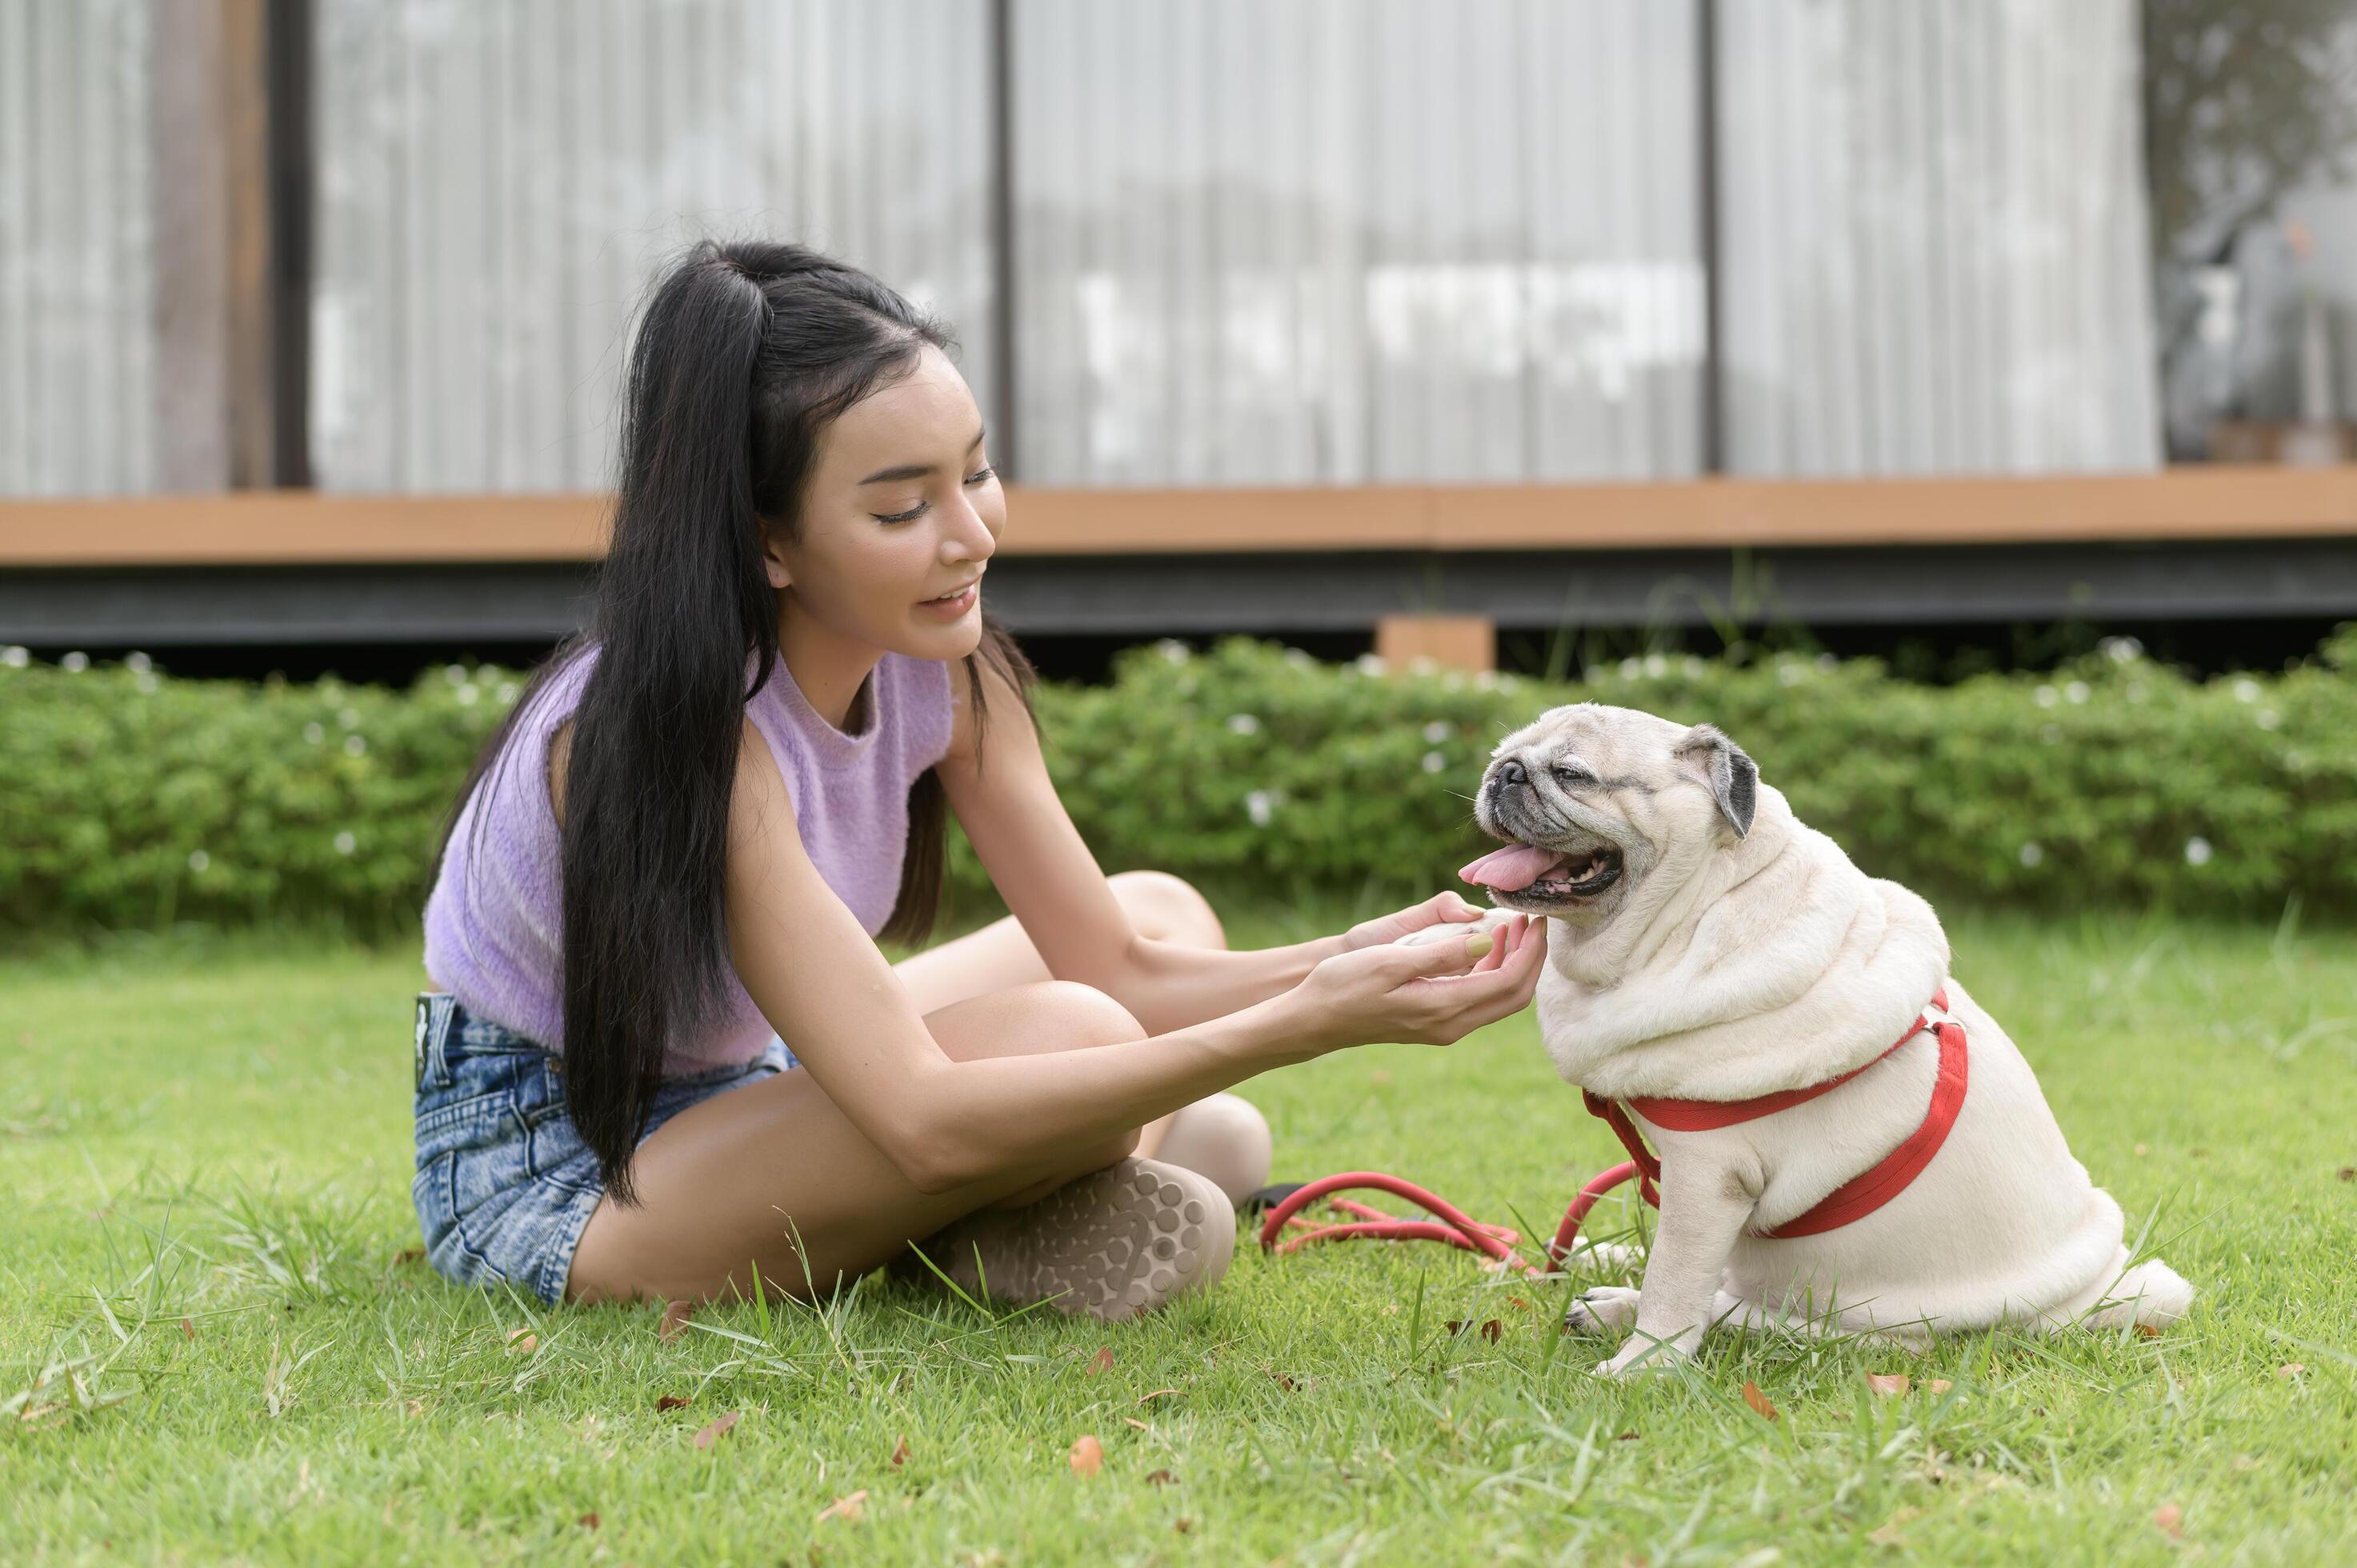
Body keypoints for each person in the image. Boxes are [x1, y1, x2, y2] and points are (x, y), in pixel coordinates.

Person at [410, 239, 1545, 1321]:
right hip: (561, 1160)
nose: (972, 536)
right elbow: (915, 1114)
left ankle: (983, 1217)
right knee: (1101, 1059)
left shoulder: (942, 675)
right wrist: (1303, 1023)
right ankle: (977, 1222)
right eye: (903, 507)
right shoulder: (674, 735)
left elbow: (1119, 962)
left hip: (754, 1076)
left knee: (1158, 918)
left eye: (979, 472)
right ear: (767, 542)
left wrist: (1357, 960)